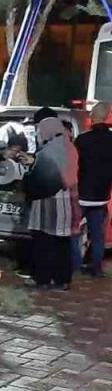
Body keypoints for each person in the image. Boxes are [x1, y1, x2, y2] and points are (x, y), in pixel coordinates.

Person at [25, 117, 79, 290]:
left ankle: (43, 279)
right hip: (66, 201)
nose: (39, 133)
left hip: (49, 203)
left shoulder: (49, 150)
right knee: (62, 243)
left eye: (41, 129)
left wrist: (27, 178)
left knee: (44, 242)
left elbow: (43, 178)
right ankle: (63, 280)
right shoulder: (69, 146)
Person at [74, 102, 112, 277]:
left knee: (73, 230)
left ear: (92, 117)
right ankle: (96, 267)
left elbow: (74, 165)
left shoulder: (82, 140)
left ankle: (73, 263)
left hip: (81, 193)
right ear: (106, 116)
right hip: (101, 195)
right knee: (97, 234)